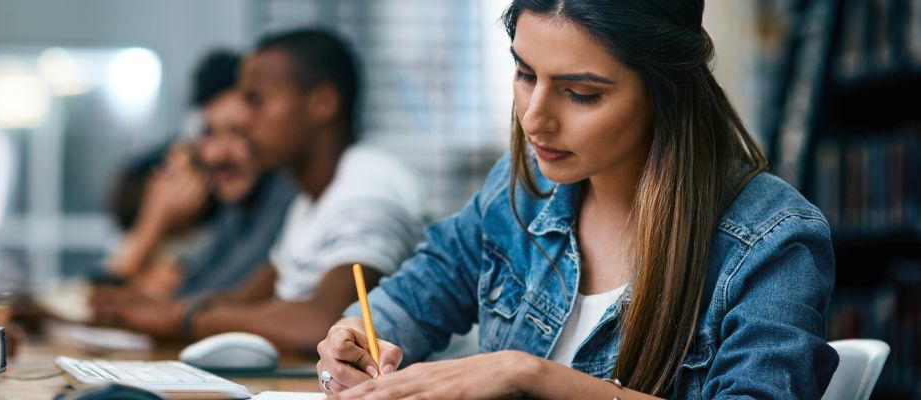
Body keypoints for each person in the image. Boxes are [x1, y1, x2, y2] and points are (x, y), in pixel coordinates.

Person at [314, 1, 839, 399]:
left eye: (581, 93)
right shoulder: (520, 190)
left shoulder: (774, 239)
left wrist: (530, 375)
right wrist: (353, 338)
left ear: (665, 89)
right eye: (524, 74)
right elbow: (407, 299)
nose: (533, 118)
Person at [92, 29, 428, 354]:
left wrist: (181, 318)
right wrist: (138, 309)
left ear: (323, 103)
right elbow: (247, 299)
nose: (245, 122)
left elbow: (325, 324)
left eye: (256, 101)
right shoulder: (310, 201)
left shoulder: (368, 185)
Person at [103, 50, 296, 299]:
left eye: (238, 132)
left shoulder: (285, 194)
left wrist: (155, 220)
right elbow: (190, 290)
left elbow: (209, 300)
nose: (217, 155)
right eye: (208, 133)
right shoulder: (234, 211)